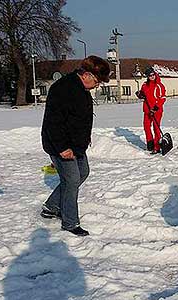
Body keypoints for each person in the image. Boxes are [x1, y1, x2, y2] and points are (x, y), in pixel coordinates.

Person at [40, 55, 110, 236]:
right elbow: (53, 122)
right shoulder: (63, 88)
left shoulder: (81, 88)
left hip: (76, 145)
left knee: (83, 173)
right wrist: (63, 148)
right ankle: (70, 223)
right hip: (60, 145)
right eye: (97, 81)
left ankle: (51, 206)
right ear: (86, 74)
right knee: (71, 180)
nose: (98, 85)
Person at [136, 67, 166, 154]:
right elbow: (142, 94)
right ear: (147, 77)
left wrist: (155, 108)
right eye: (150, 76)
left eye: (153, 75)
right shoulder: (145, 85)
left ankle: (157, 147)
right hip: (147, 110)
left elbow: (162, 98)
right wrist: (139, 94)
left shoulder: (159, 85)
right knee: (146, 127)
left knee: (156, 128)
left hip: (156, 110)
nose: (152, 77)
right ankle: (150, 144)